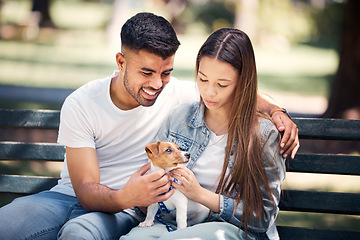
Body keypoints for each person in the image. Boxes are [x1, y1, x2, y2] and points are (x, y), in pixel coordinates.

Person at [0, 13, 298, 240]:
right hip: (87, 198)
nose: (156, 84)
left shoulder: (181, 95)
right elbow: (86, 191)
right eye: (146, 72)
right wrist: (132, 196)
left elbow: (237, 89)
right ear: (121, 61)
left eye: (166, 72)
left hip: (137, 211)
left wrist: (276, 110)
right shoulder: (83, 103)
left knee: (80, 233)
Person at [121, 28, 288, 240]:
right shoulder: (179, 118)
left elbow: (262, 216)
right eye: (203, 79)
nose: (209, 92)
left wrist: (200, 194)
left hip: (230, 228)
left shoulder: (263, 135)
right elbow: (151, 177)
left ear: (243, 82)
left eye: (222, 84)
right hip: (175, 221)